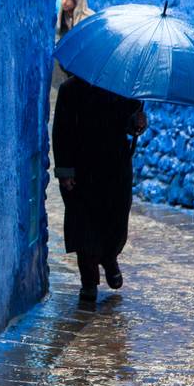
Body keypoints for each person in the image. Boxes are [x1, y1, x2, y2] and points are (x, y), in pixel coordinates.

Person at [53, 73, 147, 302]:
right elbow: (61, 132)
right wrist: (65, 171)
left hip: (115, 169)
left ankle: (109, 257)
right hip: (82, 170)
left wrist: (138, 123)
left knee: (115, 220)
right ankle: (89, 281)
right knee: (83, 224)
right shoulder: (69, 91)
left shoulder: (124, 89)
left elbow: (130, 124)